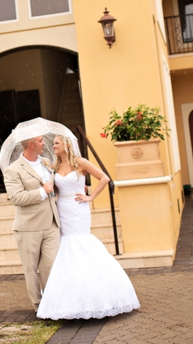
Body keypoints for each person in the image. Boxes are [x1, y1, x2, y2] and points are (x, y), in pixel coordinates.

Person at [36, 134, 140, 320]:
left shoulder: (80, 162)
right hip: (63, 209)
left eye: (57, 143)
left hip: (78, 209)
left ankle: (100, 295)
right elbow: (56, 188)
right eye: (53, 144)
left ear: (67, 144)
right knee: (66, 248)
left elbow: (104, 178)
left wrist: (90, 197)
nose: (54, 146)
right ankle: (71, 298)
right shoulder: (54, 166)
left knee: (81, 244)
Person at [3, 134, 61, 311]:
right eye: (41, 141)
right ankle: (38, 305)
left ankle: (53, 302)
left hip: (51, 223)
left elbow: (54, 186)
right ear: (31, 144)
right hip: (28, 227)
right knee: (31, 270)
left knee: (51, 265)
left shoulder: (45, 161)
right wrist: (42, 191)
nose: (45, 144)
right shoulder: (13, 170)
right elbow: (17, 198)